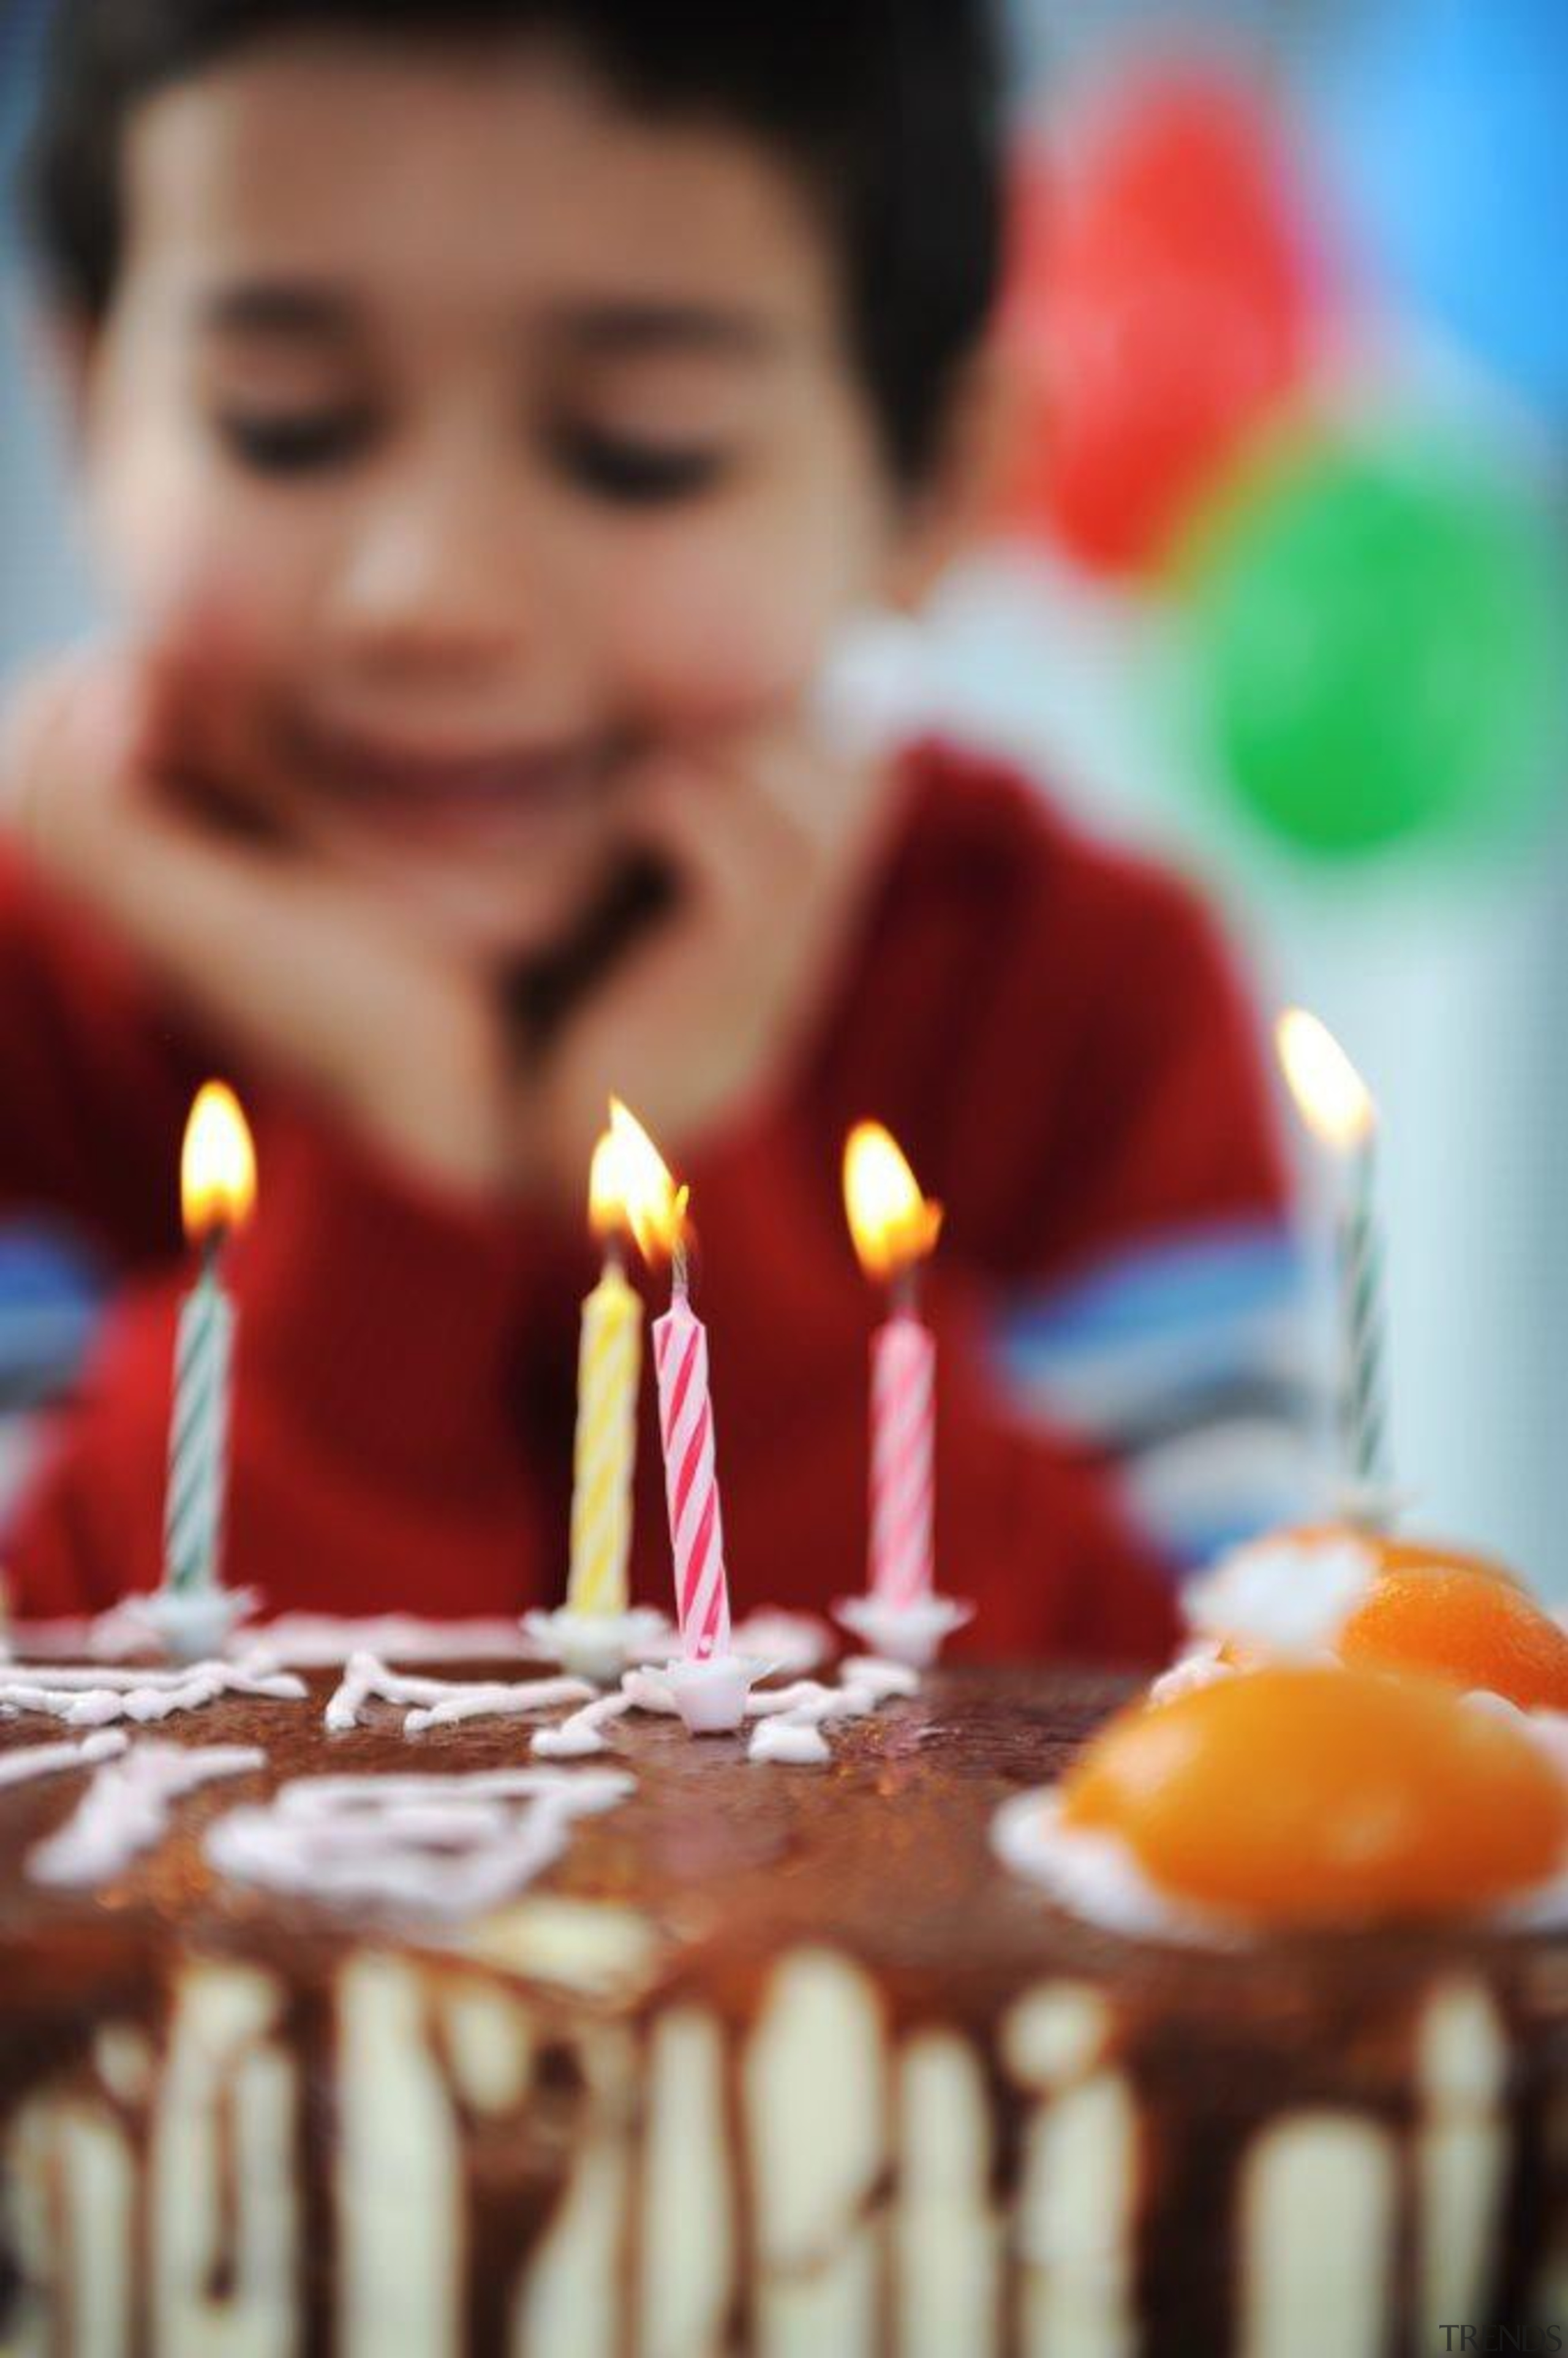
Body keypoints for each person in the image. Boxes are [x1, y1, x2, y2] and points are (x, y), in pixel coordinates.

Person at [0, 0, 1304, 1659]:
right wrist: (398, 1158)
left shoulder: (1080, 1004)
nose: (433, 596)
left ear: (937, 487)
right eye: (285, 418)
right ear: (85, 402)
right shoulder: (24, 1003)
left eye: (640, 454)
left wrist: (698, 1157)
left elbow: (1185, 1752)